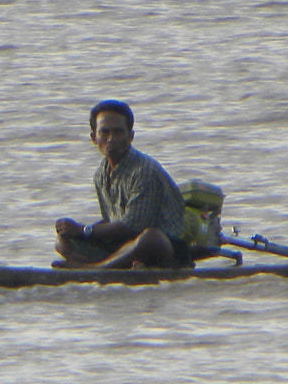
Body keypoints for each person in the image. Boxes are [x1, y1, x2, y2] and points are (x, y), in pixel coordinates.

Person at [53, 99, 189, 268]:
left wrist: (83, 230)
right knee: (63, 241)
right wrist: (78, 233)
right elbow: (110, 221)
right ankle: (101, 266)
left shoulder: (144, 171)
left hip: (161, 248)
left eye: (118, 132)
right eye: (104, 132)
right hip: (123, 246)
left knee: (150, 238)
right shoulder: (101, 174)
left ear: (130, 136)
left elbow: (130, 228)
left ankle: (95, 268)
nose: (111, 139)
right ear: (94, 138)